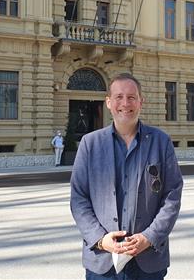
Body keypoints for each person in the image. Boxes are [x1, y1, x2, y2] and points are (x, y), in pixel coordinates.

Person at [70, 73, 183, 279]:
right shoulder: (90, 144)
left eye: (131, 97)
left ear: (141, 101)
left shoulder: (161, 141)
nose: (125, 103)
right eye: (119, 97)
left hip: (148, 259)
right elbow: (79, 198)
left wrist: (149, 237)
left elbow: (172, 196)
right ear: (108, 102)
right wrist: (100, 239)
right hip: (102, 261)